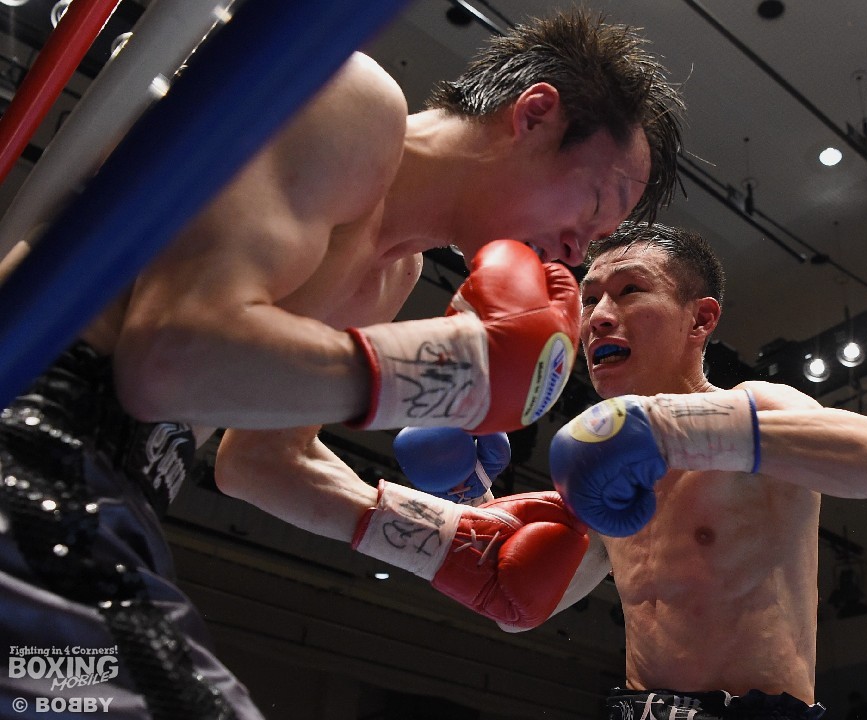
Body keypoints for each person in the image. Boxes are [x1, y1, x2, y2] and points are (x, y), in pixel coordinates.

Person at [0, 9, 684, 719]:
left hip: (107, 508)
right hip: (30, 449)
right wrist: (451, 374)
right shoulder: (353, 102)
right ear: (535, 115)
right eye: (594, 205)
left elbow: (261, 463)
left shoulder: (391, 277)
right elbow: (168, 359)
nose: (576, 251)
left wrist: (446, 542)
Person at [544, 222, 867, 720]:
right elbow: (523, 607)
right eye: (589, 298)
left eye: (630, 290)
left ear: (701, 319)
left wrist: (674, 427)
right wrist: (469, 504)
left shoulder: (756, 403)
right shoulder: (606, 465)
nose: (598, 317)